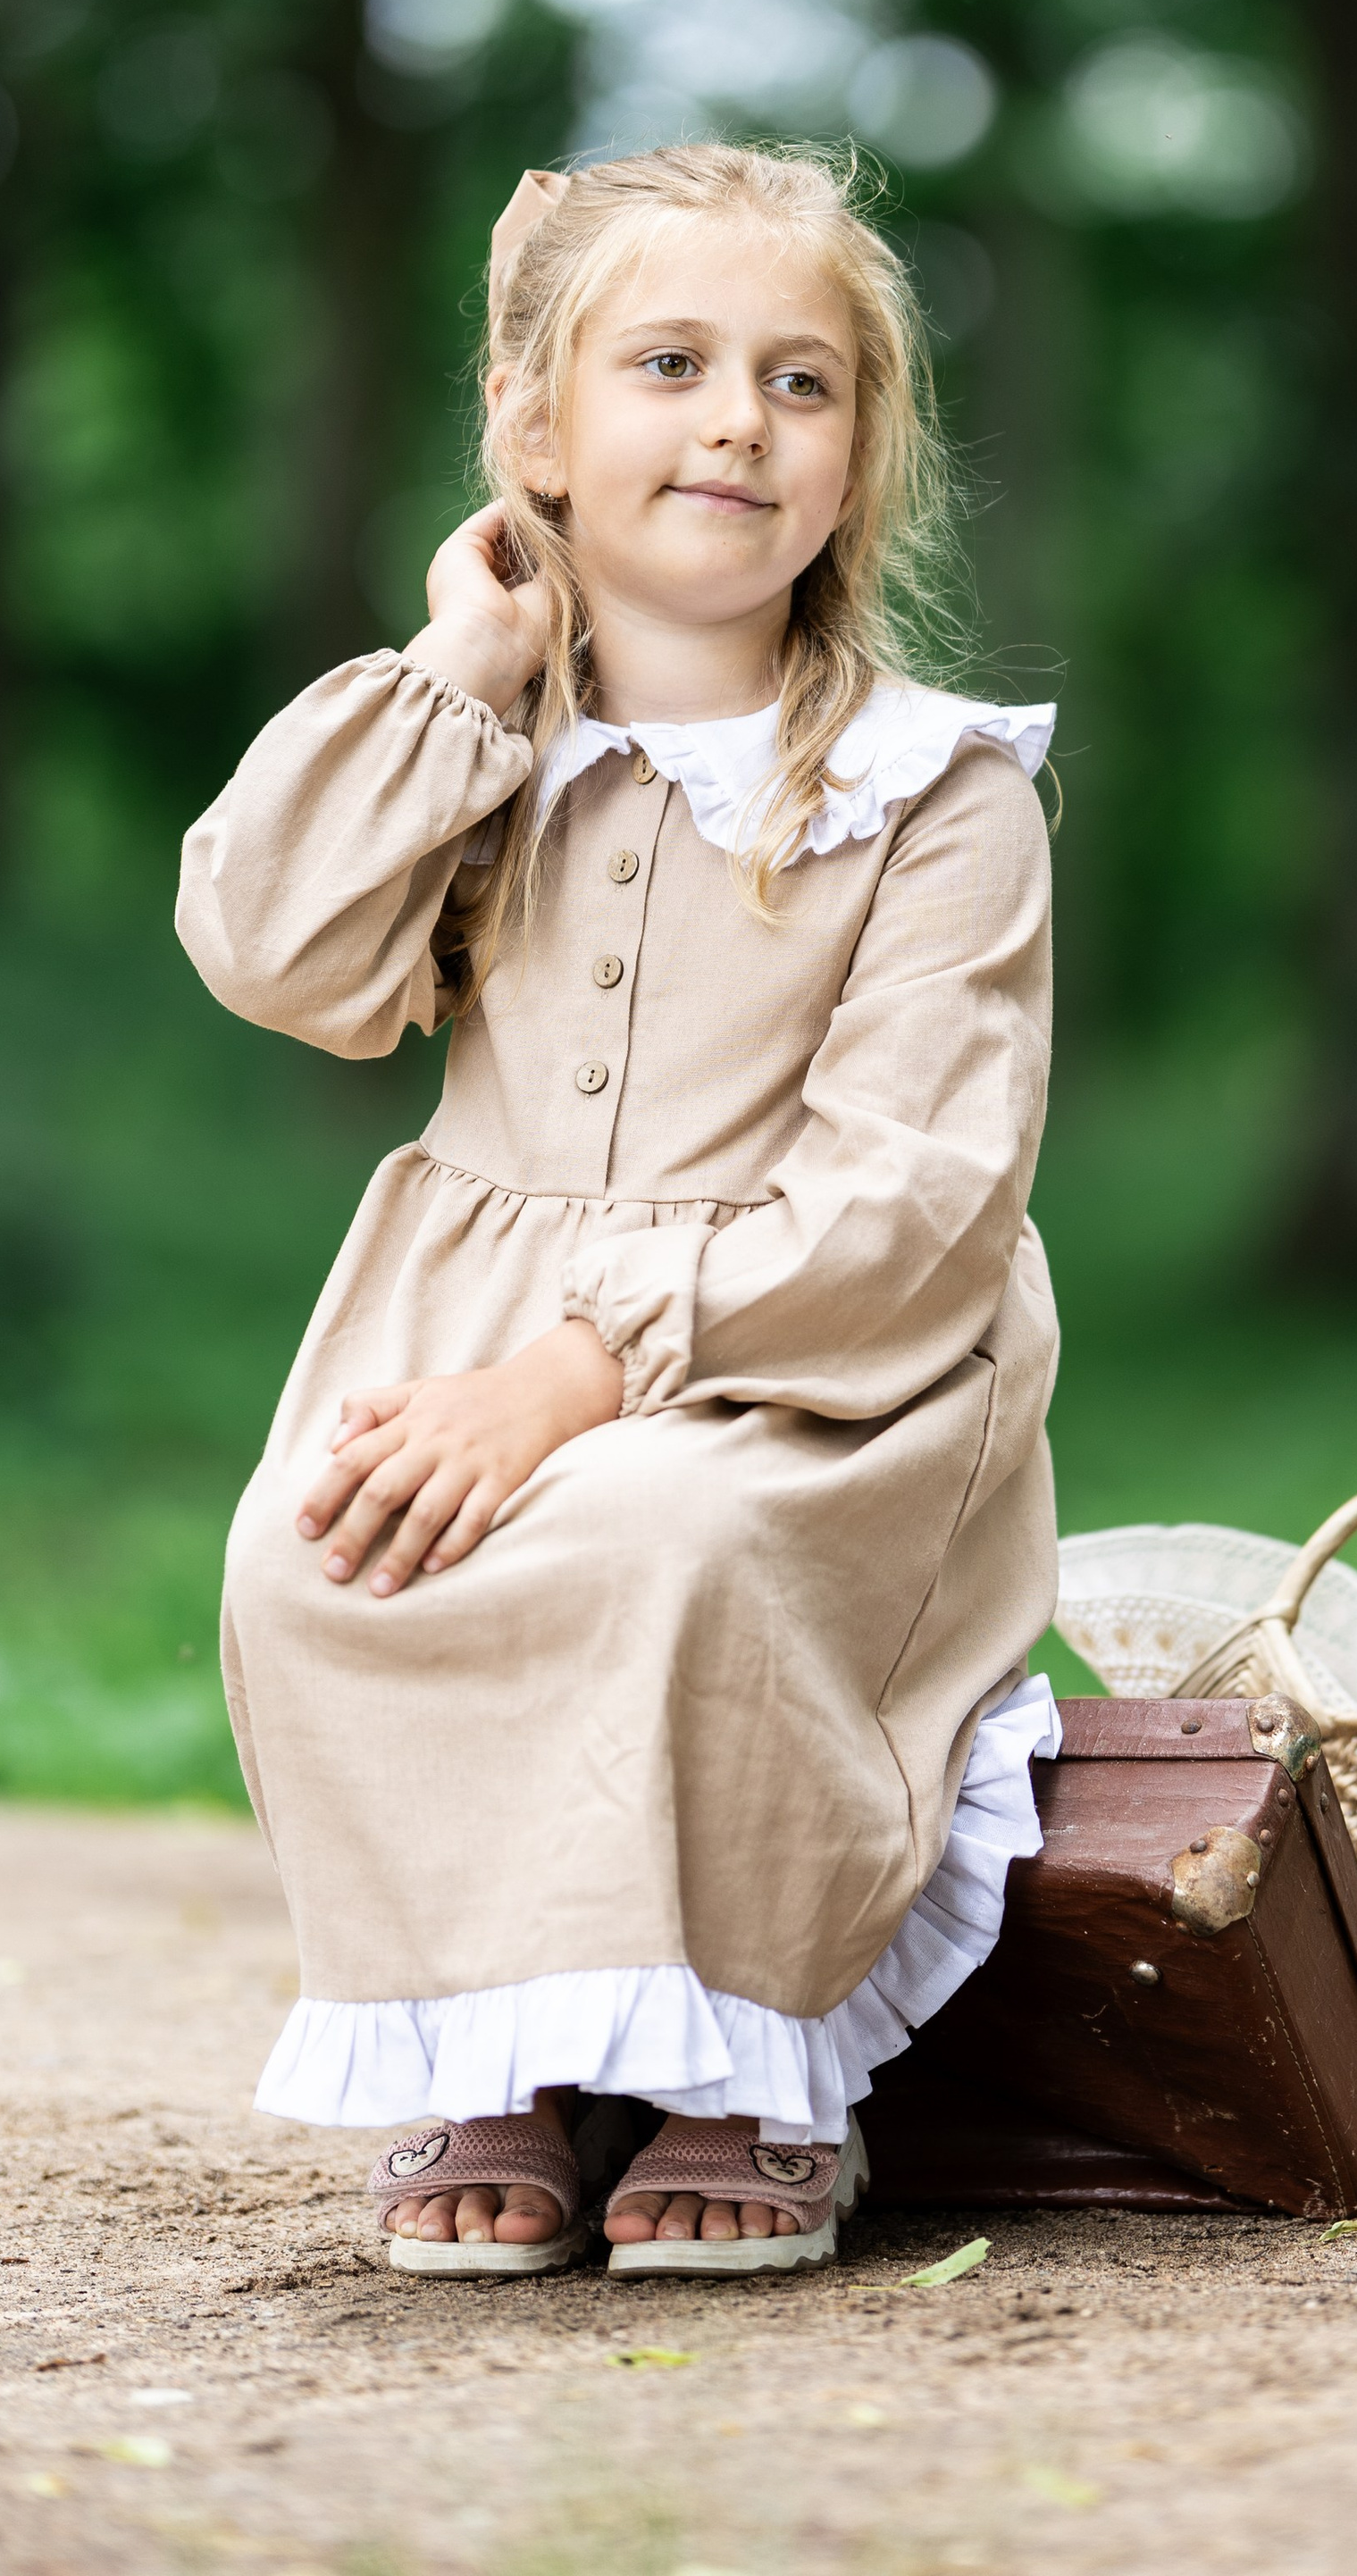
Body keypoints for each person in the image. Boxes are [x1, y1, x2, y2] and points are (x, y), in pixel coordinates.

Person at [177, 142, 1060, 2280]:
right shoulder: (491, 749)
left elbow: (916, 1189)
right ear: (540, 436)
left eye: (802, 382)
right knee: (313, 1558)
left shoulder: (930, 794)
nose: (740, 419)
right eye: (667, 364)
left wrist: (586, 1372)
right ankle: (490, 2056)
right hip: (476, 1329)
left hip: (809, 1364)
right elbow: (273, 952)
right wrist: (460, 672)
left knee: (662, 1544)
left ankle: (736, 2065)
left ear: (860, 464)